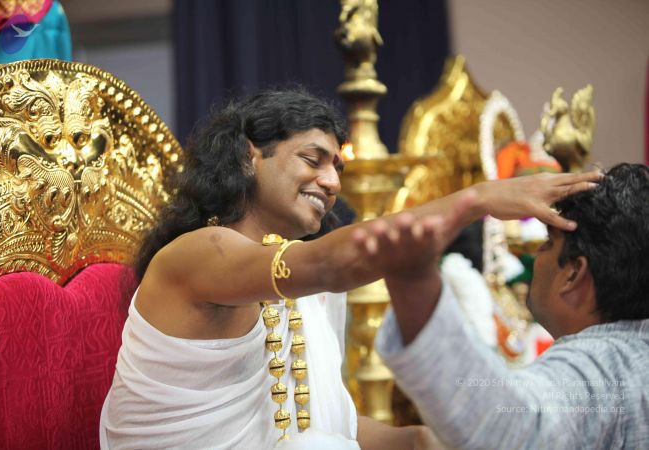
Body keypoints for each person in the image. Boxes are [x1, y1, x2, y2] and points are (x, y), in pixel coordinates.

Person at [99, 88, 602, 450]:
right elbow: (331, 261)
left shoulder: (306, 288)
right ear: (251, 157)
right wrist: (477, 200)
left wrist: (414, 440)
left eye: (337, 167)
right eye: (313, 159)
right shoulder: (198, 253)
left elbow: (320, 422)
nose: (332, 182)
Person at [354, 163, 649, 449]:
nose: (537, 256)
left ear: (573, 274)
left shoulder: (605, 369)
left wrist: (415, 288)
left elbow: (511, 428)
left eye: (548, 243)